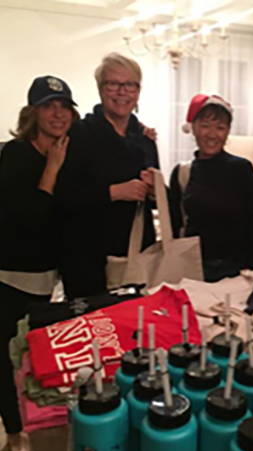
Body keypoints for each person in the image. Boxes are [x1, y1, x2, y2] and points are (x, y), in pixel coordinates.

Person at [0, 76, 78, 451]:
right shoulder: (17, 153)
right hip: (11, 277)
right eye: (49, 106)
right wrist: (53, 168)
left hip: (47, 279)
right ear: (34, 112)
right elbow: (26, 217)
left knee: (32, 357)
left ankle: (35, 421)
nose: (58, 113)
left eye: (64, 106)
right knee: (2, 354)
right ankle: (14, 433)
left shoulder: (68, 150)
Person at [55, 53, 160, 298]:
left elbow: (154, 198)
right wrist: (113, 192)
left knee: (134, 328)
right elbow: (62, 198)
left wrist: (155, 191)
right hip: (87, 258)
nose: (122, 92)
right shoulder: (78, 134)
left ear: (138, 91)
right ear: (101, 89)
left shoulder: (145, 140)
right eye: (113, 83)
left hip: (135, 256)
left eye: (130, 84)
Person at [169, 94, 253, 282]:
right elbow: (175, 226)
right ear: (193, 128)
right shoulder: (182, 173)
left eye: (220, 128)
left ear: (227, 132)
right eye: (205, 126)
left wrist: (250, 270)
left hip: (236, 271)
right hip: (192, 270)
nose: (212, 134)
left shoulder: (242, 169)